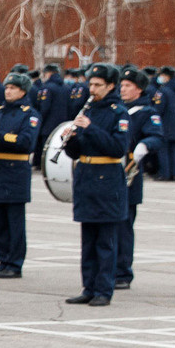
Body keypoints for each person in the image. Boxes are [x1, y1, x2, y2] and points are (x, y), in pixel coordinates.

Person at [63, 66, 130, 307]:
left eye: (98, 85)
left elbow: (117, 148)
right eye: (90, 85)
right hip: (86, 176)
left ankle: (103, 289)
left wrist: (90, 128)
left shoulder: (118, 112)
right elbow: (77, 151)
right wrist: (70, 140)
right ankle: (88, 287)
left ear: (111, 86)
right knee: (88, 239)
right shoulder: (88, 109)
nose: (92, 90)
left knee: (105, 241)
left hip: (107, 178)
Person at [0, 71, 39, 278]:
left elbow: (26, 142)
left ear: (23, 91)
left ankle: (15, 263)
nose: (8, 91)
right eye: (6, 87)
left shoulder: (29, 114)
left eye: (13, 88)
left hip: (16, 170)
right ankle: (3, 260)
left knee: (14, 220)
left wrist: (0, 136)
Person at [113, 67, 161, 288]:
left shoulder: (146, 112)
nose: (122, 89)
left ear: (139, 89)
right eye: (121, 85)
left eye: (127, 86)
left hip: (129, 172)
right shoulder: (115, 109)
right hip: (108, 172)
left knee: (123, 225)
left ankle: (122, 272)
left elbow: (156, 136)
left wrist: (145, 145)